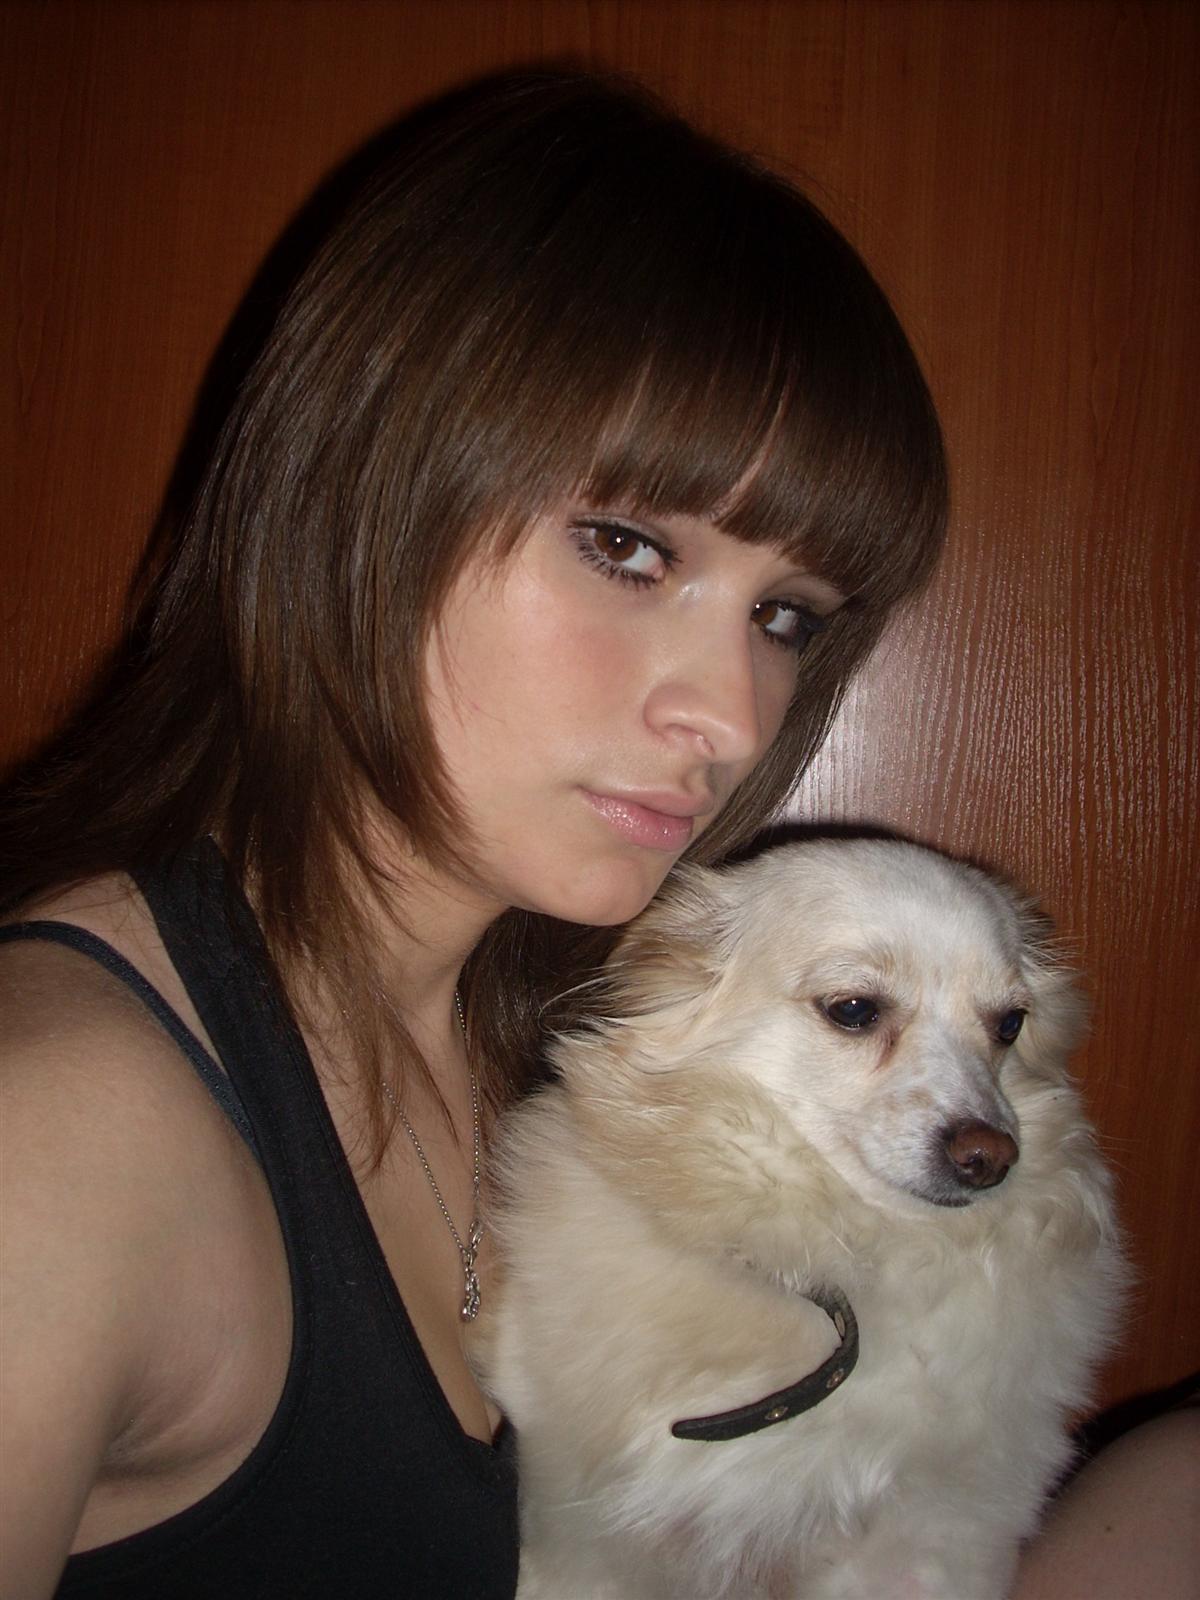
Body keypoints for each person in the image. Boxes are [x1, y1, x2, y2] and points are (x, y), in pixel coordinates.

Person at [7, 64, 1179, 1600]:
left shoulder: (551, 1041)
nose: (733, 715)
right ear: (363, 482)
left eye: (784, 615)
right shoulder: (59, 1129)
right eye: (626, 547)